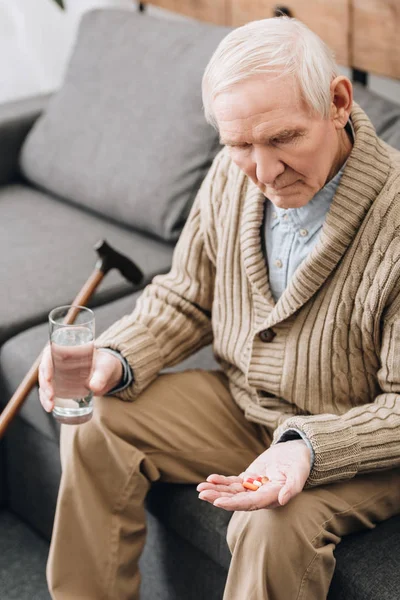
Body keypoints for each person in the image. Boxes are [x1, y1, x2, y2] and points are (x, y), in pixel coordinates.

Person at [39, 16, 400, 600]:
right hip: (243, 407)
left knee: (269, 521)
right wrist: (116, 355)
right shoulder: (233, 178)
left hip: (356, 441)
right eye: (240, 146)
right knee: (98, 418)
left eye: (284, 139)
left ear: (337, 102)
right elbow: (187, 294)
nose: (263, 172)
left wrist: (307, 449)